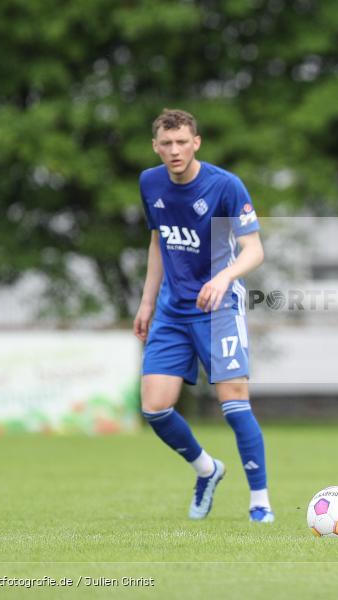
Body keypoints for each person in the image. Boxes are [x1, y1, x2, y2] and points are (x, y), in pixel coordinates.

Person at [133, 108, 274, 522]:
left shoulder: (224, 186)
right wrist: (146, 302)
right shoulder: (150, 182)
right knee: (155, 408)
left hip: (219, 309)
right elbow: (158, 242)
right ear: (156, 146)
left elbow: (254, 249)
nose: (174, 151)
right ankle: (207, 470)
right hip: (172, 312)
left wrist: (224, 278)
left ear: (196, 143)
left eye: (182, 142)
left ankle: (260, 501)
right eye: (166, 143)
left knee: (234, 404)